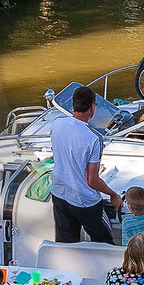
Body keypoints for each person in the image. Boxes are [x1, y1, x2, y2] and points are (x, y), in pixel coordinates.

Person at [49, 85, 121, 245]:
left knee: (65, 242)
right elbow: (92, 180)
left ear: (73, 104)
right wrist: (113, 194)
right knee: (104, 242)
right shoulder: (93, 138)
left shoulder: (56, 124)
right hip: (85, 201)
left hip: (59, 194)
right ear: (92, 107)